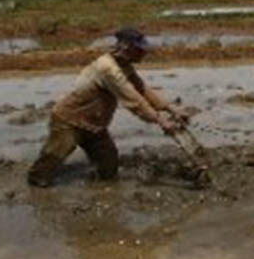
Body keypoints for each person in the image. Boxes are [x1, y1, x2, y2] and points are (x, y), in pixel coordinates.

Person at [27, 27, 188, 187]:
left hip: (94, 124)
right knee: (52, 159)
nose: (143, 53)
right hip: (69, 120)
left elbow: (142, 90)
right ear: (127, 47)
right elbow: (133, 99)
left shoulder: (125, 65)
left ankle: (97, 188)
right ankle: (34, 188)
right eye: (139, 49)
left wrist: (171, 108)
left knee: (108, 166)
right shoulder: (108, 68)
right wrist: (160, 120)